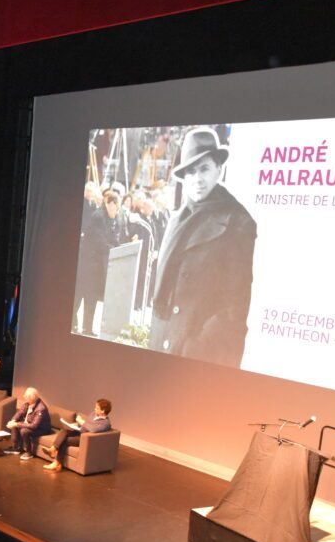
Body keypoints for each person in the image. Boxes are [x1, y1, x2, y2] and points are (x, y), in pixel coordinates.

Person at [150, 127, 256, 367]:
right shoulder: (177, 220)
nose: (197, 179)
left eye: (204, 169)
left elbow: (236, 306)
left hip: (200, 355)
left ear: (219, 169)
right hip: (163, 347)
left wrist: (195, 347)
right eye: (191, 171)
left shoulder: (237, 221)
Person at [74, 187, 130, 335]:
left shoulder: (115, 217)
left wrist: (122, 246)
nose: (115, 212)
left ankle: (87, 328)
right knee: (79, 295)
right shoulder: (98, 217)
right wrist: (114, 250)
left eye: (117, 209)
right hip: (87, 263)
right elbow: (100, 241)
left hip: (98, 265)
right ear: (108, 204)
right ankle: (73, 324)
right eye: (114, 208)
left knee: (91, 297)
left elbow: (114, 237)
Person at [41, 399, 113, 472]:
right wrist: (78, 424)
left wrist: (82, 422)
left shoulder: (105, 423)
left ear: (103, 411)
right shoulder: (93, 414)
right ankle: (53, 449)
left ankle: (56, 463)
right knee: (64, 431)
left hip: (85, 438)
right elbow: (87, 424)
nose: (94, 409)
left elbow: (93, 429)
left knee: (65, 441)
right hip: (80, 431)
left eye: (97, 408)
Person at [5, 387, 50, 460]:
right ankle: (16, 448)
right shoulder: (27, 404)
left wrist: (17, 424)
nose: (23, 397)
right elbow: (20, 413)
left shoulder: (41, 408)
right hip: (30, 424)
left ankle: (29, 452)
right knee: (15, 424)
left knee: (24, 431)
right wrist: (13, 420)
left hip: (41, 429)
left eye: (25, 396)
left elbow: (34, 425)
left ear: (31, 398)